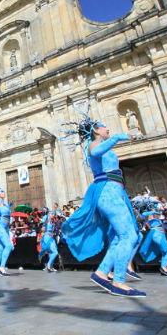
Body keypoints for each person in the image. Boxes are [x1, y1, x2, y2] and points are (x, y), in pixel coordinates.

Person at [62, 114, 145, 297]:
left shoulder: (104, 146)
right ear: (96, 130)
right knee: (128, 235)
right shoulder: (92, 145)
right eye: (104, 127)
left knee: (119, 237)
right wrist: (116, 138)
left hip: (115, 191)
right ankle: (119, 282)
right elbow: (95, 153)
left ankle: (102, 273)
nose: (108, 129)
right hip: (107, 191)